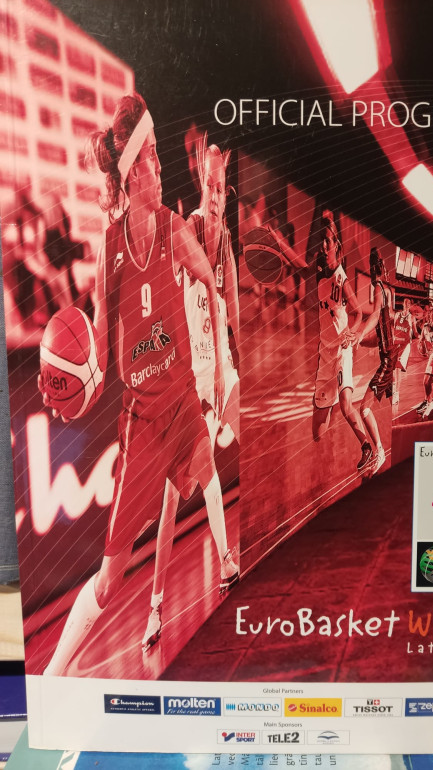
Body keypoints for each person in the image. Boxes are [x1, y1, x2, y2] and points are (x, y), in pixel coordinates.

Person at [40, 93, 225, 676]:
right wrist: (76, 390)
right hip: (142, 422)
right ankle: (53, 676)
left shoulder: (174, 229)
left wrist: (220, 369)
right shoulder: (111, 250)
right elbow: (98, 343)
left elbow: (211, 283)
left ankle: (225, 569)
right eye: (151, 158)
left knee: (208, 476)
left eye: (160, 156)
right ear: (131, 174)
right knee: (109, 577)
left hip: (183, 403)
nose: (161, 167)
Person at [141, 135, 239, 651]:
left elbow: (229, 312)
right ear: (200, 182)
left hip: (218, 371)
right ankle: (155, 607)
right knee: (171, 500)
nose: (216, 194)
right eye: (210, 185)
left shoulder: (226, 239)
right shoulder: (188, 229)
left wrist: (230, 362)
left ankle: (229, 559)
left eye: (222, 187)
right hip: (189, 376)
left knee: (223, 455)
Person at [312, 215, 372, 472]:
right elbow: (298, 265)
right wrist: (279, 245)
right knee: (317, 434)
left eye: (328, 241)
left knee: (347, 405)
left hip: (341, 352)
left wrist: (353, 333)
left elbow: (358, 313)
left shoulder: (341, 277)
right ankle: (330, 400)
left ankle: (367, 447)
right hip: (324, 354)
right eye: (322, 241)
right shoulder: (319, 270)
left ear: (337, 245)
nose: (324, 246)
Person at [354, 248, 396, 474]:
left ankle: (379, 451)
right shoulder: (386, 290)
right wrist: (360, 341)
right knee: (378, 406)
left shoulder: (379, 288)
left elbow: (377, 313)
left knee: (363, 408)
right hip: (389, 355)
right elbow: (379, 337)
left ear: (373, 269)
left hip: (389, 359)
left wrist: (360, 332)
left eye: (370, 267)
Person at [392, 297, 418, 406]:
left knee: (397, 367)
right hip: (396, 343)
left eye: (409, 303)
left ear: (410, 305)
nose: (407, 304)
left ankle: (396, 394)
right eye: (405, 302)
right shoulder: (397, 315)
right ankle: (394, 391)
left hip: (405, 345)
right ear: (403, 304)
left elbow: (415, 332)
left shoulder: (412, 317)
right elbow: (393, 328)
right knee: (393, 369)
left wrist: (421, 337)